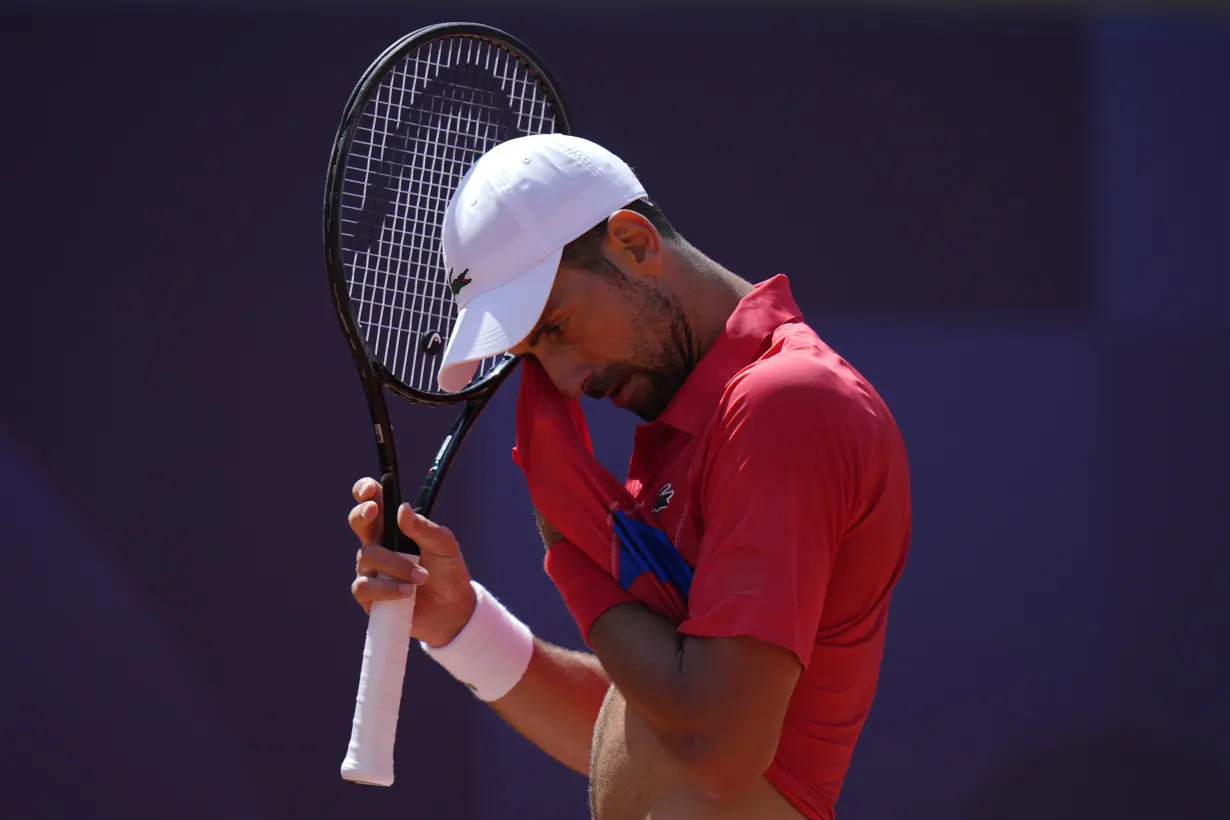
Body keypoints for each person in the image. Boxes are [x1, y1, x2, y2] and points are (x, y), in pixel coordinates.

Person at [347, 134, 911, 819]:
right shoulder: (688, 438)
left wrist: (570, 546)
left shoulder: (787, 403)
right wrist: (462, 626)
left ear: (636, 243)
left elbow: (715, 742)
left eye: (555, 327)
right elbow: (647, 731)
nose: (560, 379)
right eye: (529, 353)